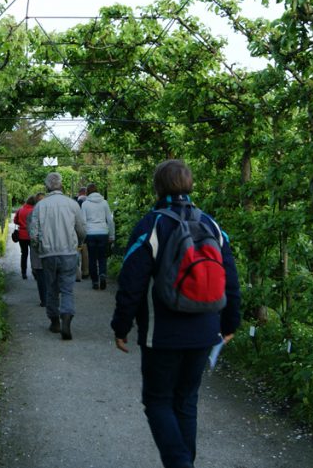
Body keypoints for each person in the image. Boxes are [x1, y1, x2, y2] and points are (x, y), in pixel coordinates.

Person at [111, 159, 242, 468]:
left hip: (163, 333)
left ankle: (180, 464)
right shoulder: (211, 225)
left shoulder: (152, 225)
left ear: (157, 187)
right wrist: (230, 323)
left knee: (157, 401)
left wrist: (121, 326)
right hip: (205, 330)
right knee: (186, 402)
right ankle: (185, 462)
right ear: (190, 185)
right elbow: (231, 278)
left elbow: (132, 282)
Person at [30, 172, 86, 340]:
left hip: (48, 253)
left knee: (52, 288)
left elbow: (33, 235)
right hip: (68, 251)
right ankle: (67, 317)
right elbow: (82, 229)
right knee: (67, 289)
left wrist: (38, 248)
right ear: (62, 185)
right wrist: (79, 243)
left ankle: (54, 321)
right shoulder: (72, 204)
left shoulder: (39, 206)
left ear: (47, 187)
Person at [81, 183, 115, 290]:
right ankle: (103, 275)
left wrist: (83, 236)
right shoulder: (104, 203)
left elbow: (83, 222)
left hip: (90, 233)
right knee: (102, 257)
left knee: (92, 258)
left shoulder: (85, 204)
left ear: (87, 192)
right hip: (103, 233)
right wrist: (112, 235)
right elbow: (110, 220)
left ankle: (95, 281)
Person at [29, 192, 47, 306]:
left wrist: (35, 245)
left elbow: (31, 232)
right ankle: (51, 298)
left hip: (38, 248)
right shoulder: (51, 213)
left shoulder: (31, 214)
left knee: (40, 275)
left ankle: (44, 300)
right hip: (50, 247)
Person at [13, 195, 36, 280]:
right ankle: (35, 272)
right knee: (33, 254)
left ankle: (24, 273)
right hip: (31, 235)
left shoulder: (20, 210)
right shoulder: (34, 211)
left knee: (24, 254)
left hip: (22, 235)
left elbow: (15, 221)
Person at [75, 186, 90, 282]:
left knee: (76, 251)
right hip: (88, 230)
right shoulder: (89, 202)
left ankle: (77, 274)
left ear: (79, 193)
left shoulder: (76, 202)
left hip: (77, 229)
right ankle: (85, 271)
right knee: (85, 252)